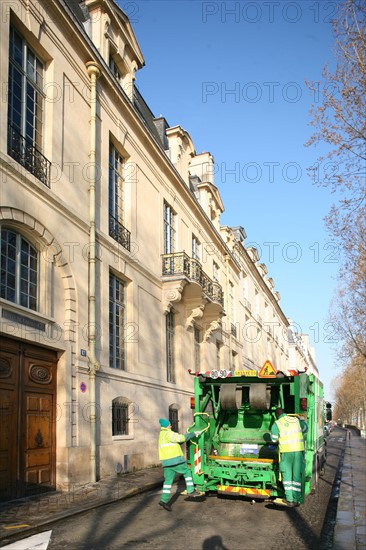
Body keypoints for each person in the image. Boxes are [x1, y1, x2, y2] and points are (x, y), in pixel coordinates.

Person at [158, 418, 202, 511]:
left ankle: (164, 500)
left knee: (168, 482)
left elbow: (175, 441)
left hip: (166, 462)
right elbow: (181, 438)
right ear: (167, 425)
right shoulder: (168, 433)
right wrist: (193, 434)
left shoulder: (161, 434)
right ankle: (191, 490)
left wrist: (182, 440)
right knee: (187, 472)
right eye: (170, 424)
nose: (171, 425)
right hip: (175, 460)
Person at [271, 407, 308, 507]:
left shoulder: (277, 423)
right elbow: (305, 429)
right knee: (296, 476)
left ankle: (289, 499)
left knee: (287, 477)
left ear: (276, 415)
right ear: (285, 413)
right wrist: (301, 420)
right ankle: (296, 499)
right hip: (298, 452)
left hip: (286, 453)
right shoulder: (296, 420)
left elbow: (274, 439)